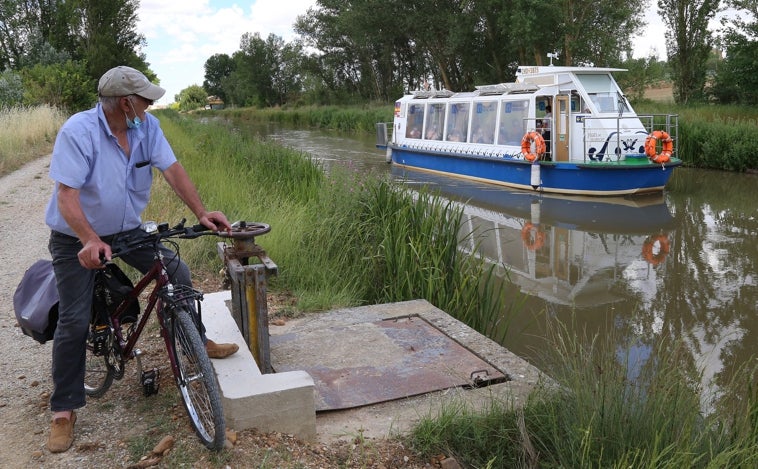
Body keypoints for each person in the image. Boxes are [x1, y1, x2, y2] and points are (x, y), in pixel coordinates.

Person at [43, 65, 239, 453]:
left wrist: (201, 212)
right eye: (146, 99)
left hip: (128, 230)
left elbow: (173, 170)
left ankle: (196, 340)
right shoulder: (79, 131)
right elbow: (67, 196)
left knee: (176, 270)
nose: (151, 104)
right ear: (126, 102)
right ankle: (63, 410)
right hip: (77, 237)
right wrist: (88, 238)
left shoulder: (146, 127)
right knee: (75, 318)